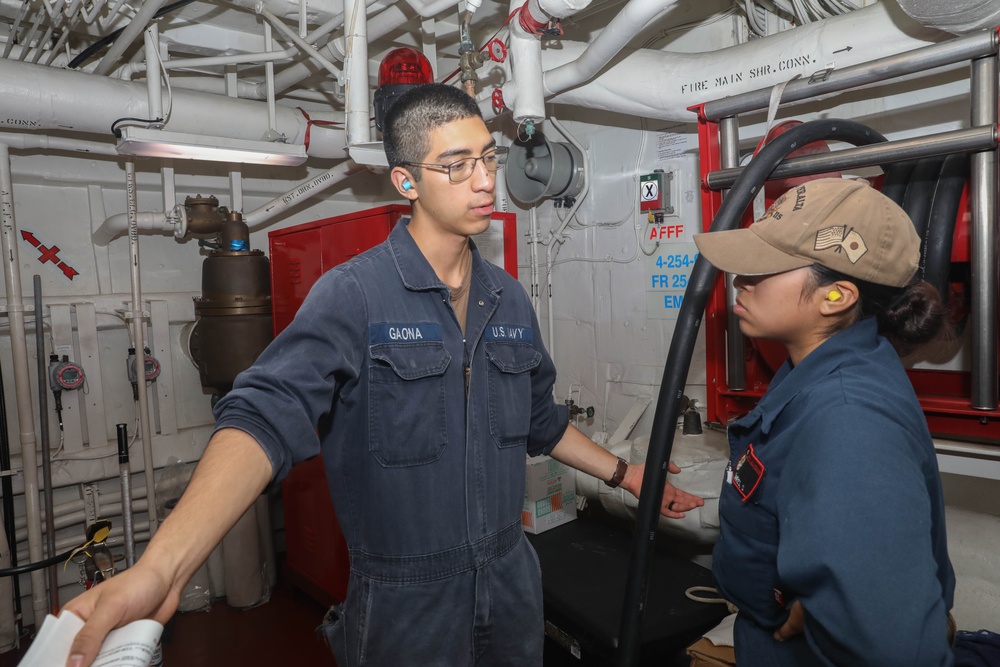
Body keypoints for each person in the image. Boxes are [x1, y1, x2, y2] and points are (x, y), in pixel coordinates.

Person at [63, 82, 703, 667]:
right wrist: (163, 567)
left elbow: (542, 423)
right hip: (407, 603)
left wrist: (628, 476)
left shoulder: (508, 300)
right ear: (407, 181)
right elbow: (263, 415)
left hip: (511, 584)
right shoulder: (354, 295)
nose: (483, 180)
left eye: (488, 157)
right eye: (456, 165)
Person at [693, 177, 956, 666]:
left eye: (764, 268)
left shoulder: (849, 421)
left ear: (835, 297)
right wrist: (820, 605)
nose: (739, 280)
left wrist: (832, 616)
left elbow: (892, 647)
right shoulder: (818, 366)